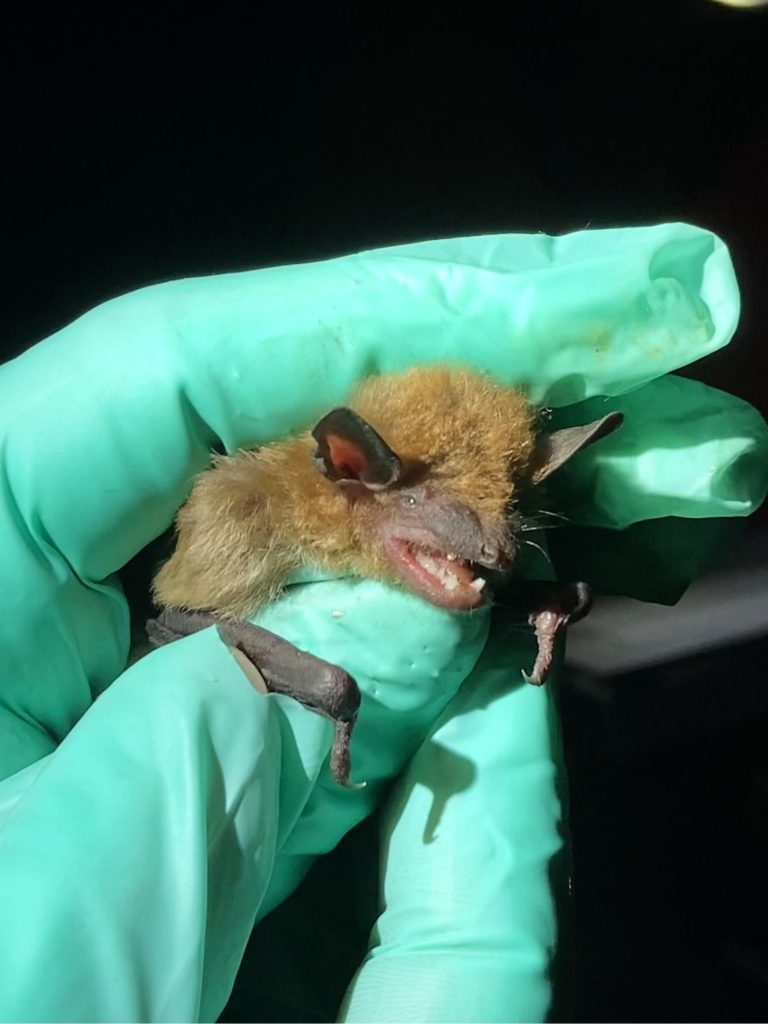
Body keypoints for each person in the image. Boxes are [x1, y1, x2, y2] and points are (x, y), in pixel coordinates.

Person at [0, 225, 760, 1023]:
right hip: (100, 724)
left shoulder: (477, 549)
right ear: (351, 470)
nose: (492, 547)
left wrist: (519, 595)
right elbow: (175, 614)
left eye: (506, 517)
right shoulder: (252, 511)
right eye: (452, 516)